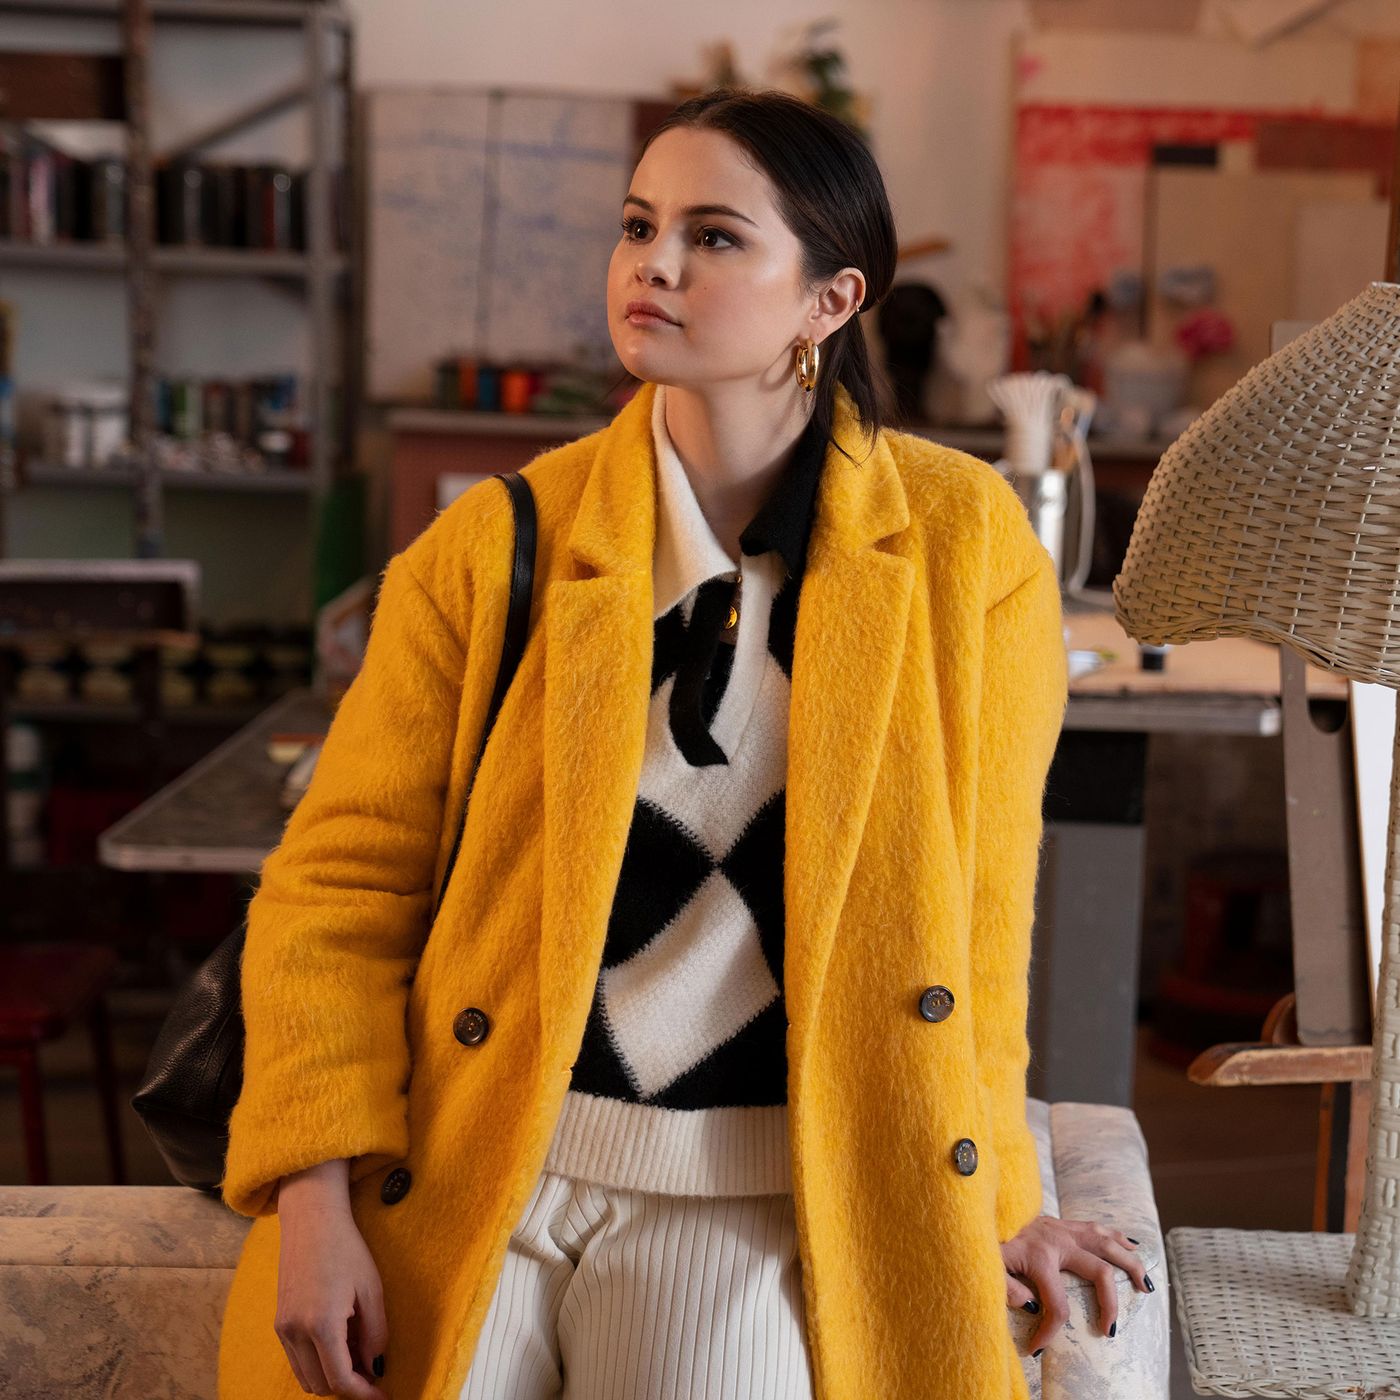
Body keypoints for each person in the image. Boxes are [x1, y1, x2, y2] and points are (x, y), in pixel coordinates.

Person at [215, 88, 1151, 1400]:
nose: (653, 264)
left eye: (713, 236)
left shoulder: (964, 546)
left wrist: (995, 1192)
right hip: (470, 1162)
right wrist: (311, 1197)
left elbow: (976, 927)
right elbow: (336, 892)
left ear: (831, 299)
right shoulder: (496, 545)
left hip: (746, 1200)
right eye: (638, 225)